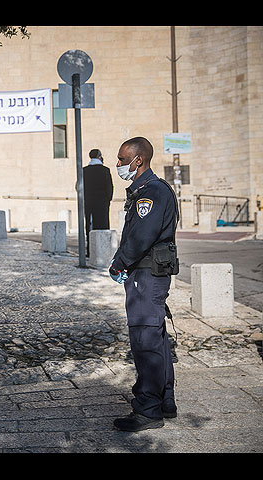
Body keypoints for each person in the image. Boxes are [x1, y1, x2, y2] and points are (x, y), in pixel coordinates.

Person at [108, 137, 179, 432]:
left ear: (139, 160)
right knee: (156, 336)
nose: (119, 164)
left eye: (123, 159)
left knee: (145, 340)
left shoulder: (150, 193)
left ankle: (148, 409)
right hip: (150, 275)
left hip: (145, 276)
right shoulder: (151, 189)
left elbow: (140, 237)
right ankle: (165, 400)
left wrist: (118, 262)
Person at [83, 149, 114, 256]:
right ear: (99, 156)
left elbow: (78, 186)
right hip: (102, 203)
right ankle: (103, 252)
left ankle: (90, 251)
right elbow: (109, 187)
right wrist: (107, 199)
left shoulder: (84, 170)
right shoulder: (105, 170)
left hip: (88, 202)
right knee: (102, 225)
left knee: (90, 226)